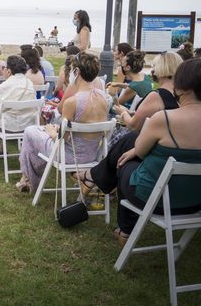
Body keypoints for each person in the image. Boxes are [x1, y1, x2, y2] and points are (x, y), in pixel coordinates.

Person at [78, 58, 201, 244]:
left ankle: (125, 229)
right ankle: (92, 176)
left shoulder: (164, 119)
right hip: (195, 203)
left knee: (126, 162)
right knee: (131, 144)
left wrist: (136, 151)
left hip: (157, 201)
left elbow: (142, 152)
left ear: (182, 85)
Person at [17, 53, 108, 192]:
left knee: (30, 132)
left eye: (71, 69)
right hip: (93, 154)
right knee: (38, 135)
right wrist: (59, 128)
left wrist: (52, 131)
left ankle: (28, 180)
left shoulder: (72, 102)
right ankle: (27, 179)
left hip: (69, 156)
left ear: (76, 72)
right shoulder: (103, 97)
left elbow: (61, 140)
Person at [112, 52, 182, 132]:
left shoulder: (157, 96)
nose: (152, 70)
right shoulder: (183, 93)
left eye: (154, 66)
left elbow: (133, 126)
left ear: (160, 68)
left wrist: (123, 112)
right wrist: (132, 113)